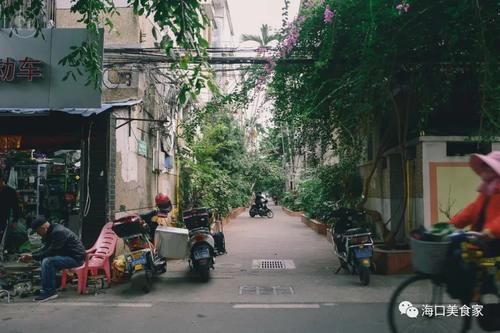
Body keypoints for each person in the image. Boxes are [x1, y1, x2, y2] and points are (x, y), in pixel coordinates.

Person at [19, 217, 86, 302]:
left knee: (48, 261)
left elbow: (52, 251)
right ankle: (48, 287)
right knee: (44, 260)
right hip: (68, 256)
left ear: (42, 228)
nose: (38, 234)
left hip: (76, 259)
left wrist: (32, 257)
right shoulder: (52, 231)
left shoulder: (58, 232)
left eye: (37, 231)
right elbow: (46, 249)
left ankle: (49, 292)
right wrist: (32, 255)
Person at [450, 151, 500, 256]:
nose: (484, 168)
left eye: (488, 166)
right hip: (481, 237)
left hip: (494, 240)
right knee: (455, 250)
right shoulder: (486, 189)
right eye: (484, 165)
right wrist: (452, 224)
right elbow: (473, 210)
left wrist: (492, 230)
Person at [0, 169, 20, 241]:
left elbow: (16, 207)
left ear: (1, 180)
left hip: (4, 218)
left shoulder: (10, 191)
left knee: (2, 237)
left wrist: (15, 220)